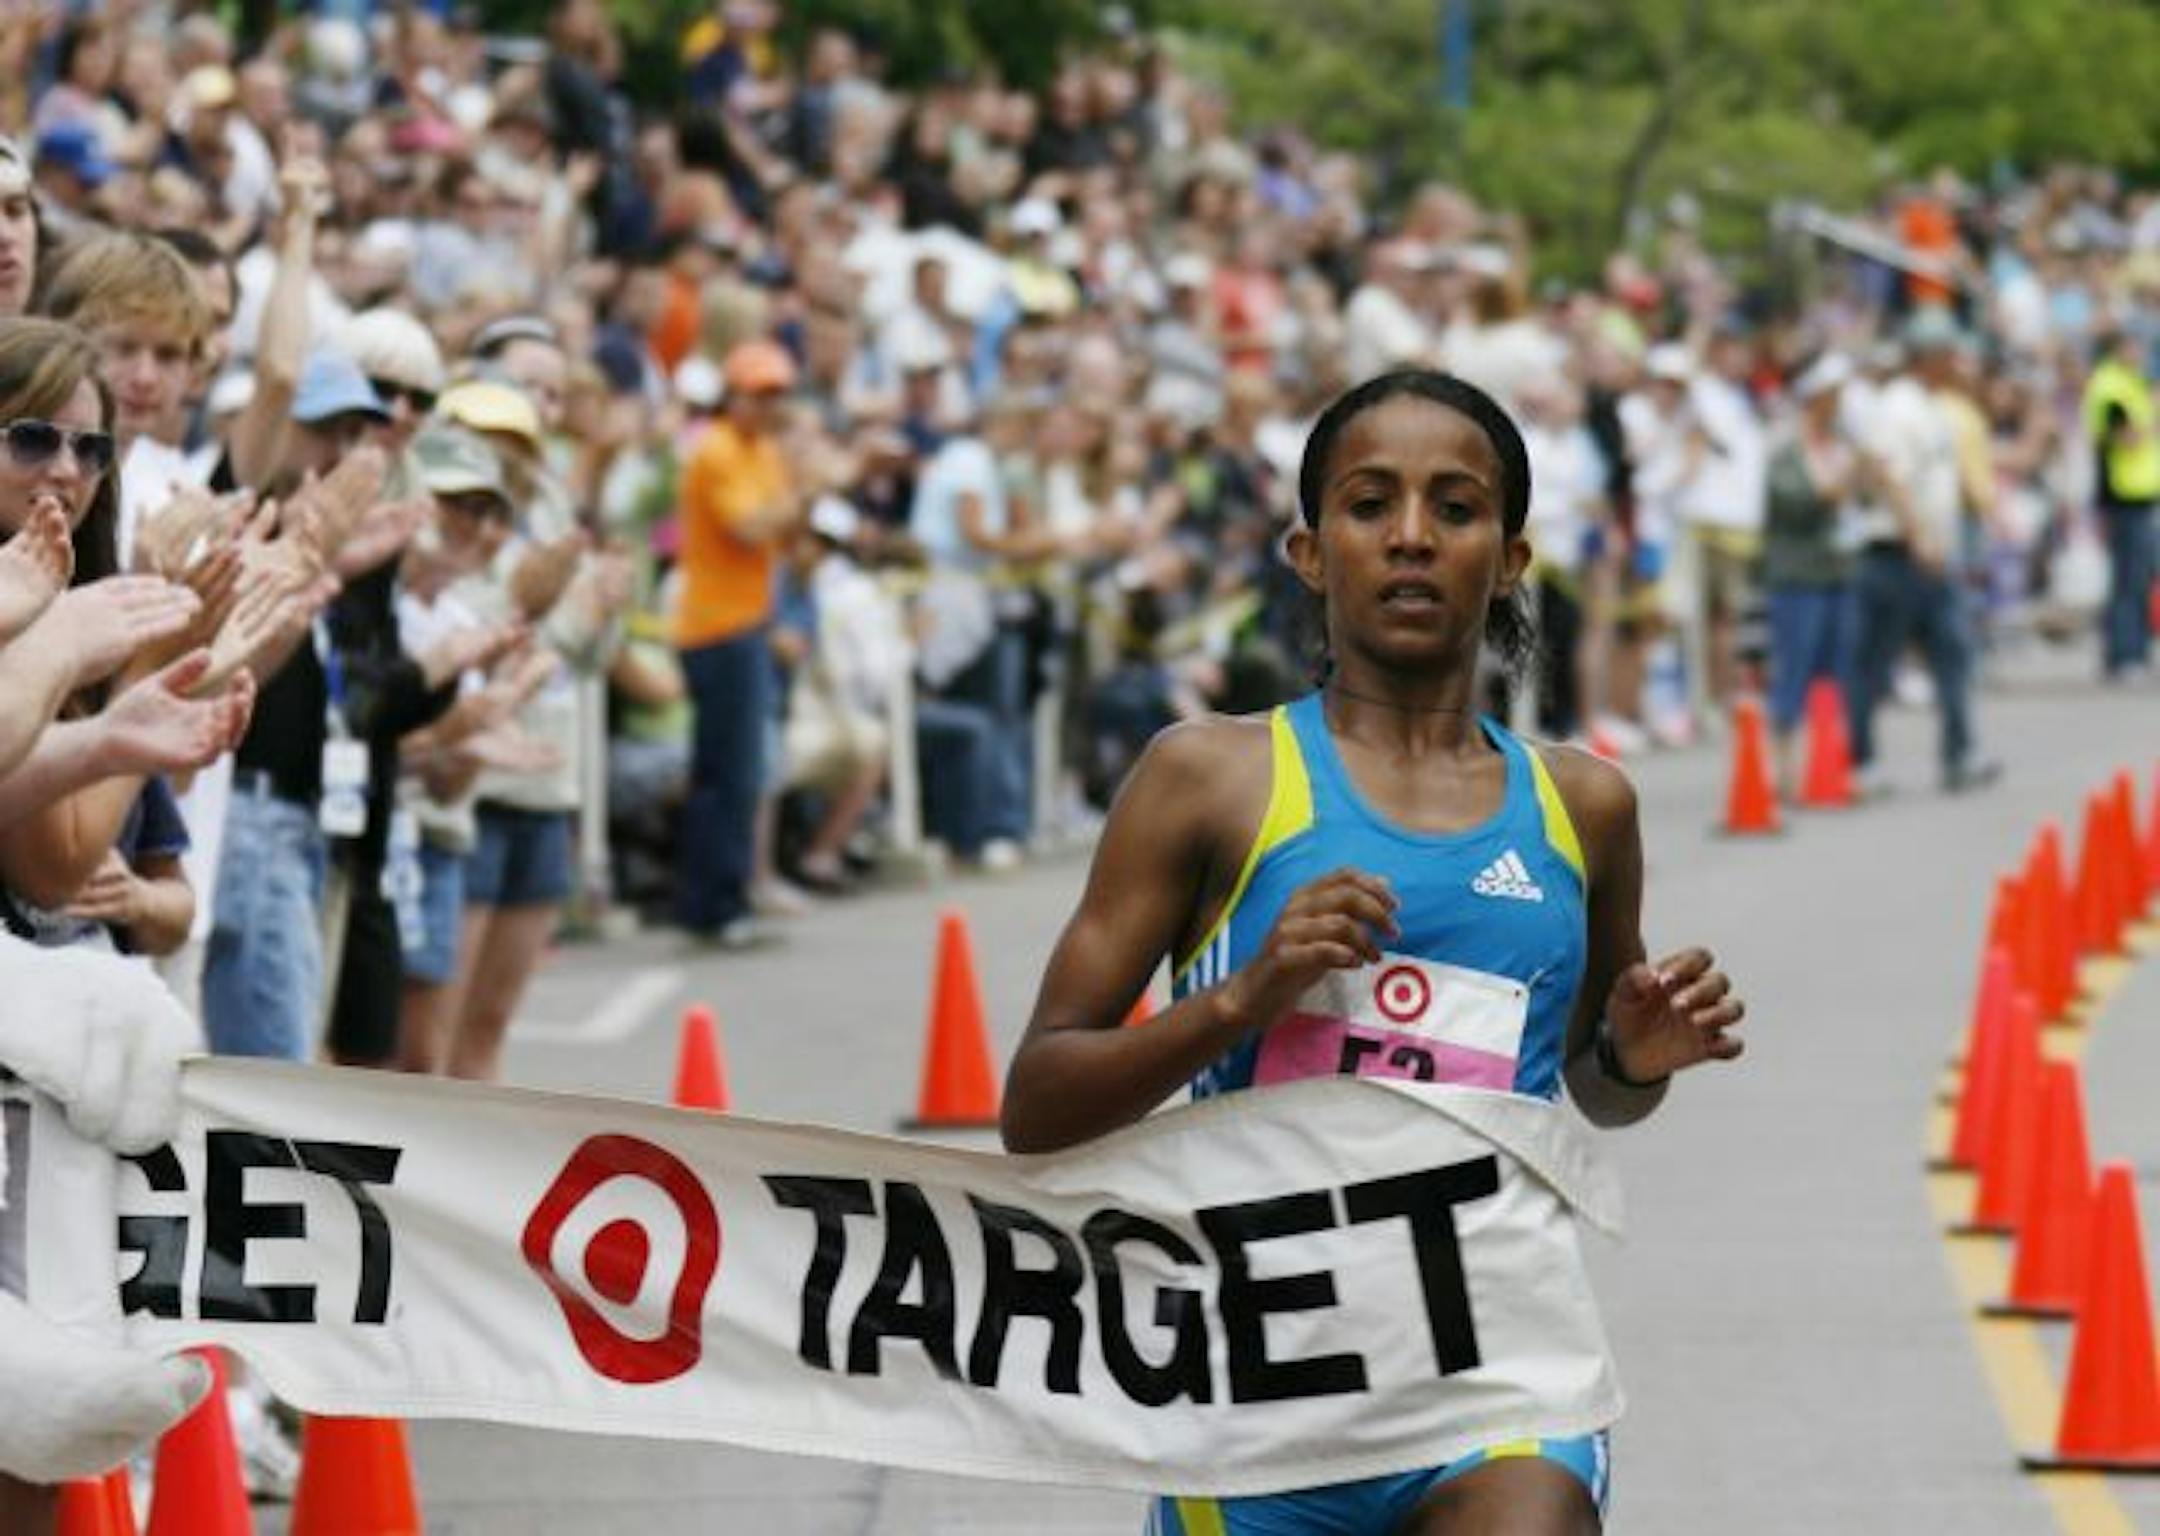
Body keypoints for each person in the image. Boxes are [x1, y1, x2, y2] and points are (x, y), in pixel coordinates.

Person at [1003, 370, 1747, 1535]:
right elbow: (1038, 1104)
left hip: (1500, 1374)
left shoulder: (1582, 806)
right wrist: (1239, 1001)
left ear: (1508, 559)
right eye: (1369, 505)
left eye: (1455, 509)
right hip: (1254, 1392)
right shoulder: (1208, 779)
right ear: (1310, 550)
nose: (1411, 537)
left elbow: (1597, 1094)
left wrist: (1635, 1056)